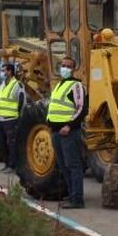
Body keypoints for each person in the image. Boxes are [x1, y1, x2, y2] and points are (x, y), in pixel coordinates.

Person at [47, 55, 86, 208]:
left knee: (73, 165)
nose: (64, 68)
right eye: (63, 65)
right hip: (56, 132)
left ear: (73, 69)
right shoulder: (59, 85)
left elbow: (82, 108)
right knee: (63, 166)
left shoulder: (76, 86)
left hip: (68, 132)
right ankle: (71, 195)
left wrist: (69, 125)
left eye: (68, 66)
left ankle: (77, 199)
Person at [0, 62, 25, 173]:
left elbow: (21, 101)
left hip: (11, 119)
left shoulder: (17, 85)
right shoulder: (3, 84)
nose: (3, 73)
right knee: (2, 143)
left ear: (10, 71)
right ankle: (6, 164)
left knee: (12, 144)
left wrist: (18, 116)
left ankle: (12, 166)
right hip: (0, 119)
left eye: (4, 70)